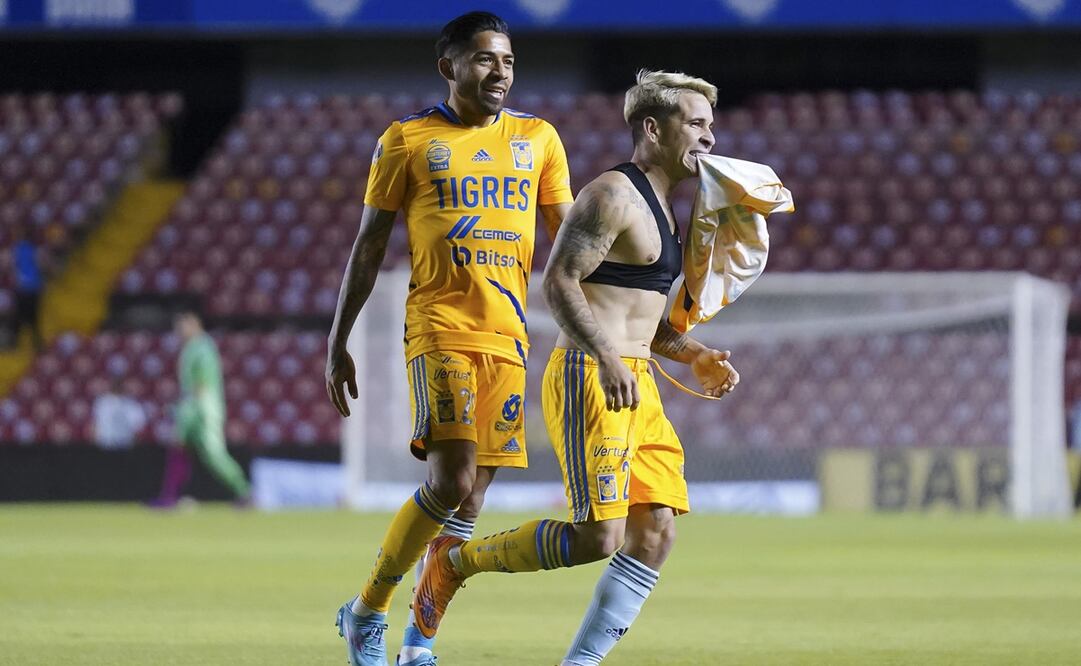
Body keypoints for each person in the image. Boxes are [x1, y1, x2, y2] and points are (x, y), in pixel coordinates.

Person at [410, 70, 739, 665]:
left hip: (636, 381)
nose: (709, 138)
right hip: (592, 376)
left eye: (710, 125)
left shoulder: (666, 208)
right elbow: (560, 282)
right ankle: (454, 561)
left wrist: (693, 354)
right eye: (696, 124)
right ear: (652, 128)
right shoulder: (611, 195)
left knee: (657, 531)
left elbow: (634, 311)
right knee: (598, 538)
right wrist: (607, 356)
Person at [324, 11, 573, 666]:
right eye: (487, 58)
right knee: (451, 479)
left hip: (508, 337)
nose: (501, 71)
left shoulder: (538, 139)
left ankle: (418, 644)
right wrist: (338, 339)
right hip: (439, 327)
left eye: (509, 61)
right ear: (450, 67)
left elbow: (572, 243)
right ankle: (366, 610)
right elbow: (369, 244)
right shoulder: (407, 140)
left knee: (474, 493)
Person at [150, 309, 250, 507]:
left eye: (182, 326)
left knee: (213, 454)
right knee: (179, 446)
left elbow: (202, 383)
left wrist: (186, 408)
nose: (178, 331)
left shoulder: (203, 347)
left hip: (203, 407)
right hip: (193, 405)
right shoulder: (191, 347)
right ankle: (170, 496)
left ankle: (245, 492)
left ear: (194, 325)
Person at [11, 223, 47, 351]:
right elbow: (42, 264)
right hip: (31, 288)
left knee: (22, 317)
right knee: (32, 318)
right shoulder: (33, 249)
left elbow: (13, 267)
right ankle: (34, 343)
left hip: (25, 288)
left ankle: (17, 343)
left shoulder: (18, 248)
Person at [91, 377, 147, 449]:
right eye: (115, 384)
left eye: (119, 384)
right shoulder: (101, 402)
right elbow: (95, 425)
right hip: (105, 444)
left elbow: (139, 427)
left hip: (125, 445)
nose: (117, 386)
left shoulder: (132, 404)